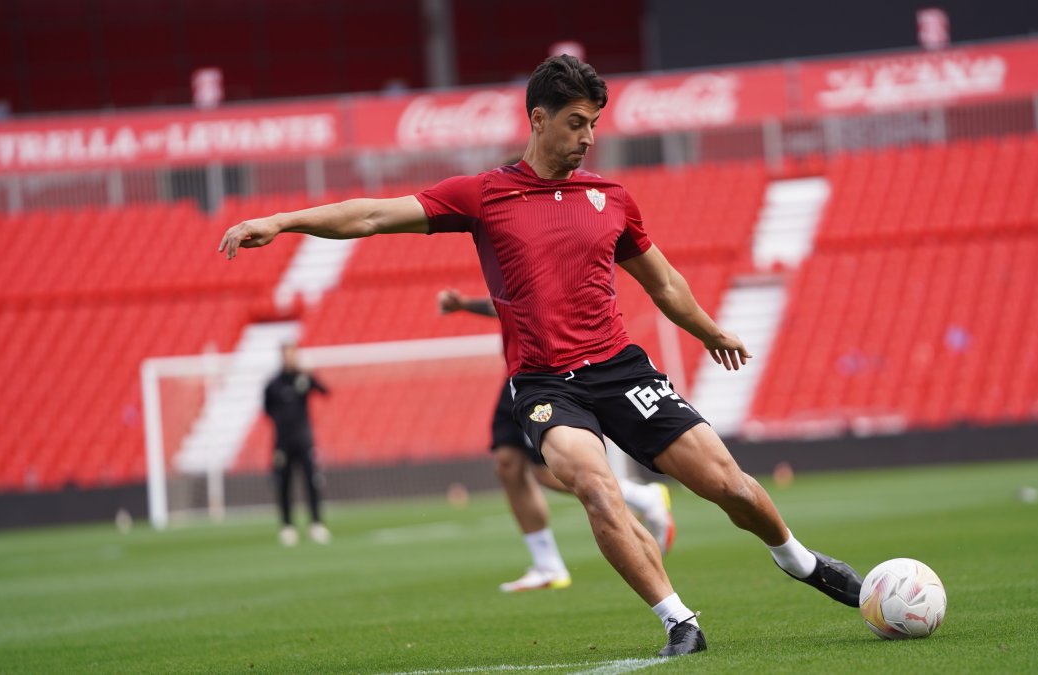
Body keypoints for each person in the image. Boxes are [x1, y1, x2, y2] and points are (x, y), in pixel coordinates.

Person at [221, 54, 861, 658]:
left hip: (622, 369)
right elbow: (370, 216)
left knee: (727, 486)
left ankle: (800, 561)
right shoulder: (483, 196)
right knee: (594, 485)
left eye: (594, 124)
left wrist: (710, 331)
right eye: (576, 122)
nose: (587, 137)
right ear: (537, 119)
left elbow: (662, 283)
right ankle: (679, 621)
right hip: (546, 384)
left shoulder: (612, 198)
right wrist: (282, 220)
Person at [437, 287, 676, 592]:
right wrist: (466, 305)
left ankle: (642, 497)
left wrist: (466, 304)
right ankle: (547, 565)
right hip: (514, 374)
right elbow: (506, 305)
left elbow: (529, 303)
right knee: (508, 464)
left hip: (542, 376)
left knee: (546, 472)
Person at [263, 343, 331, 546]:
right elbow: (267, 410)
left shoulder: (304, 378)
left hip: (304, 440)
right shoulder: (273, 384)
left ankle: (316, 524)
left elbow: (325, 391)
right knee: (284, 484)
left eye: (293, 354)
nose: (290, 358)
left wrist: (311, 374)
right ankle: (287, 526)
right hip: (282, 442)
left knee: (312, 482)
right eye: (287, 354)